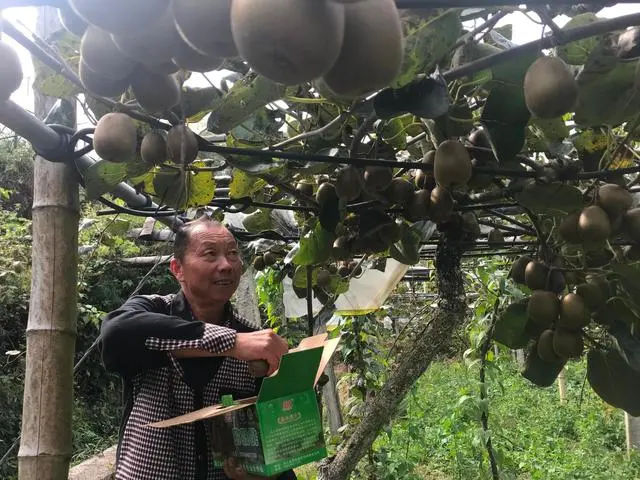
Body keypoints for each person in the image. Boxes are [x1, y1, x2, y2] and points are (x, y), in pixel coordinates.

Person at [99, 216, 294, 480]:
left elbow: (278, 443)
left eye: (233, 254)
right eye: (210, 254)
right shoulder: (152, 310)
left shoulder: (253, 339)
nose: (226, 265)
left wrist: (263, 474)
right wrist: (231, 342)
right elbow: (115, 333)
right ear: (177, 268)